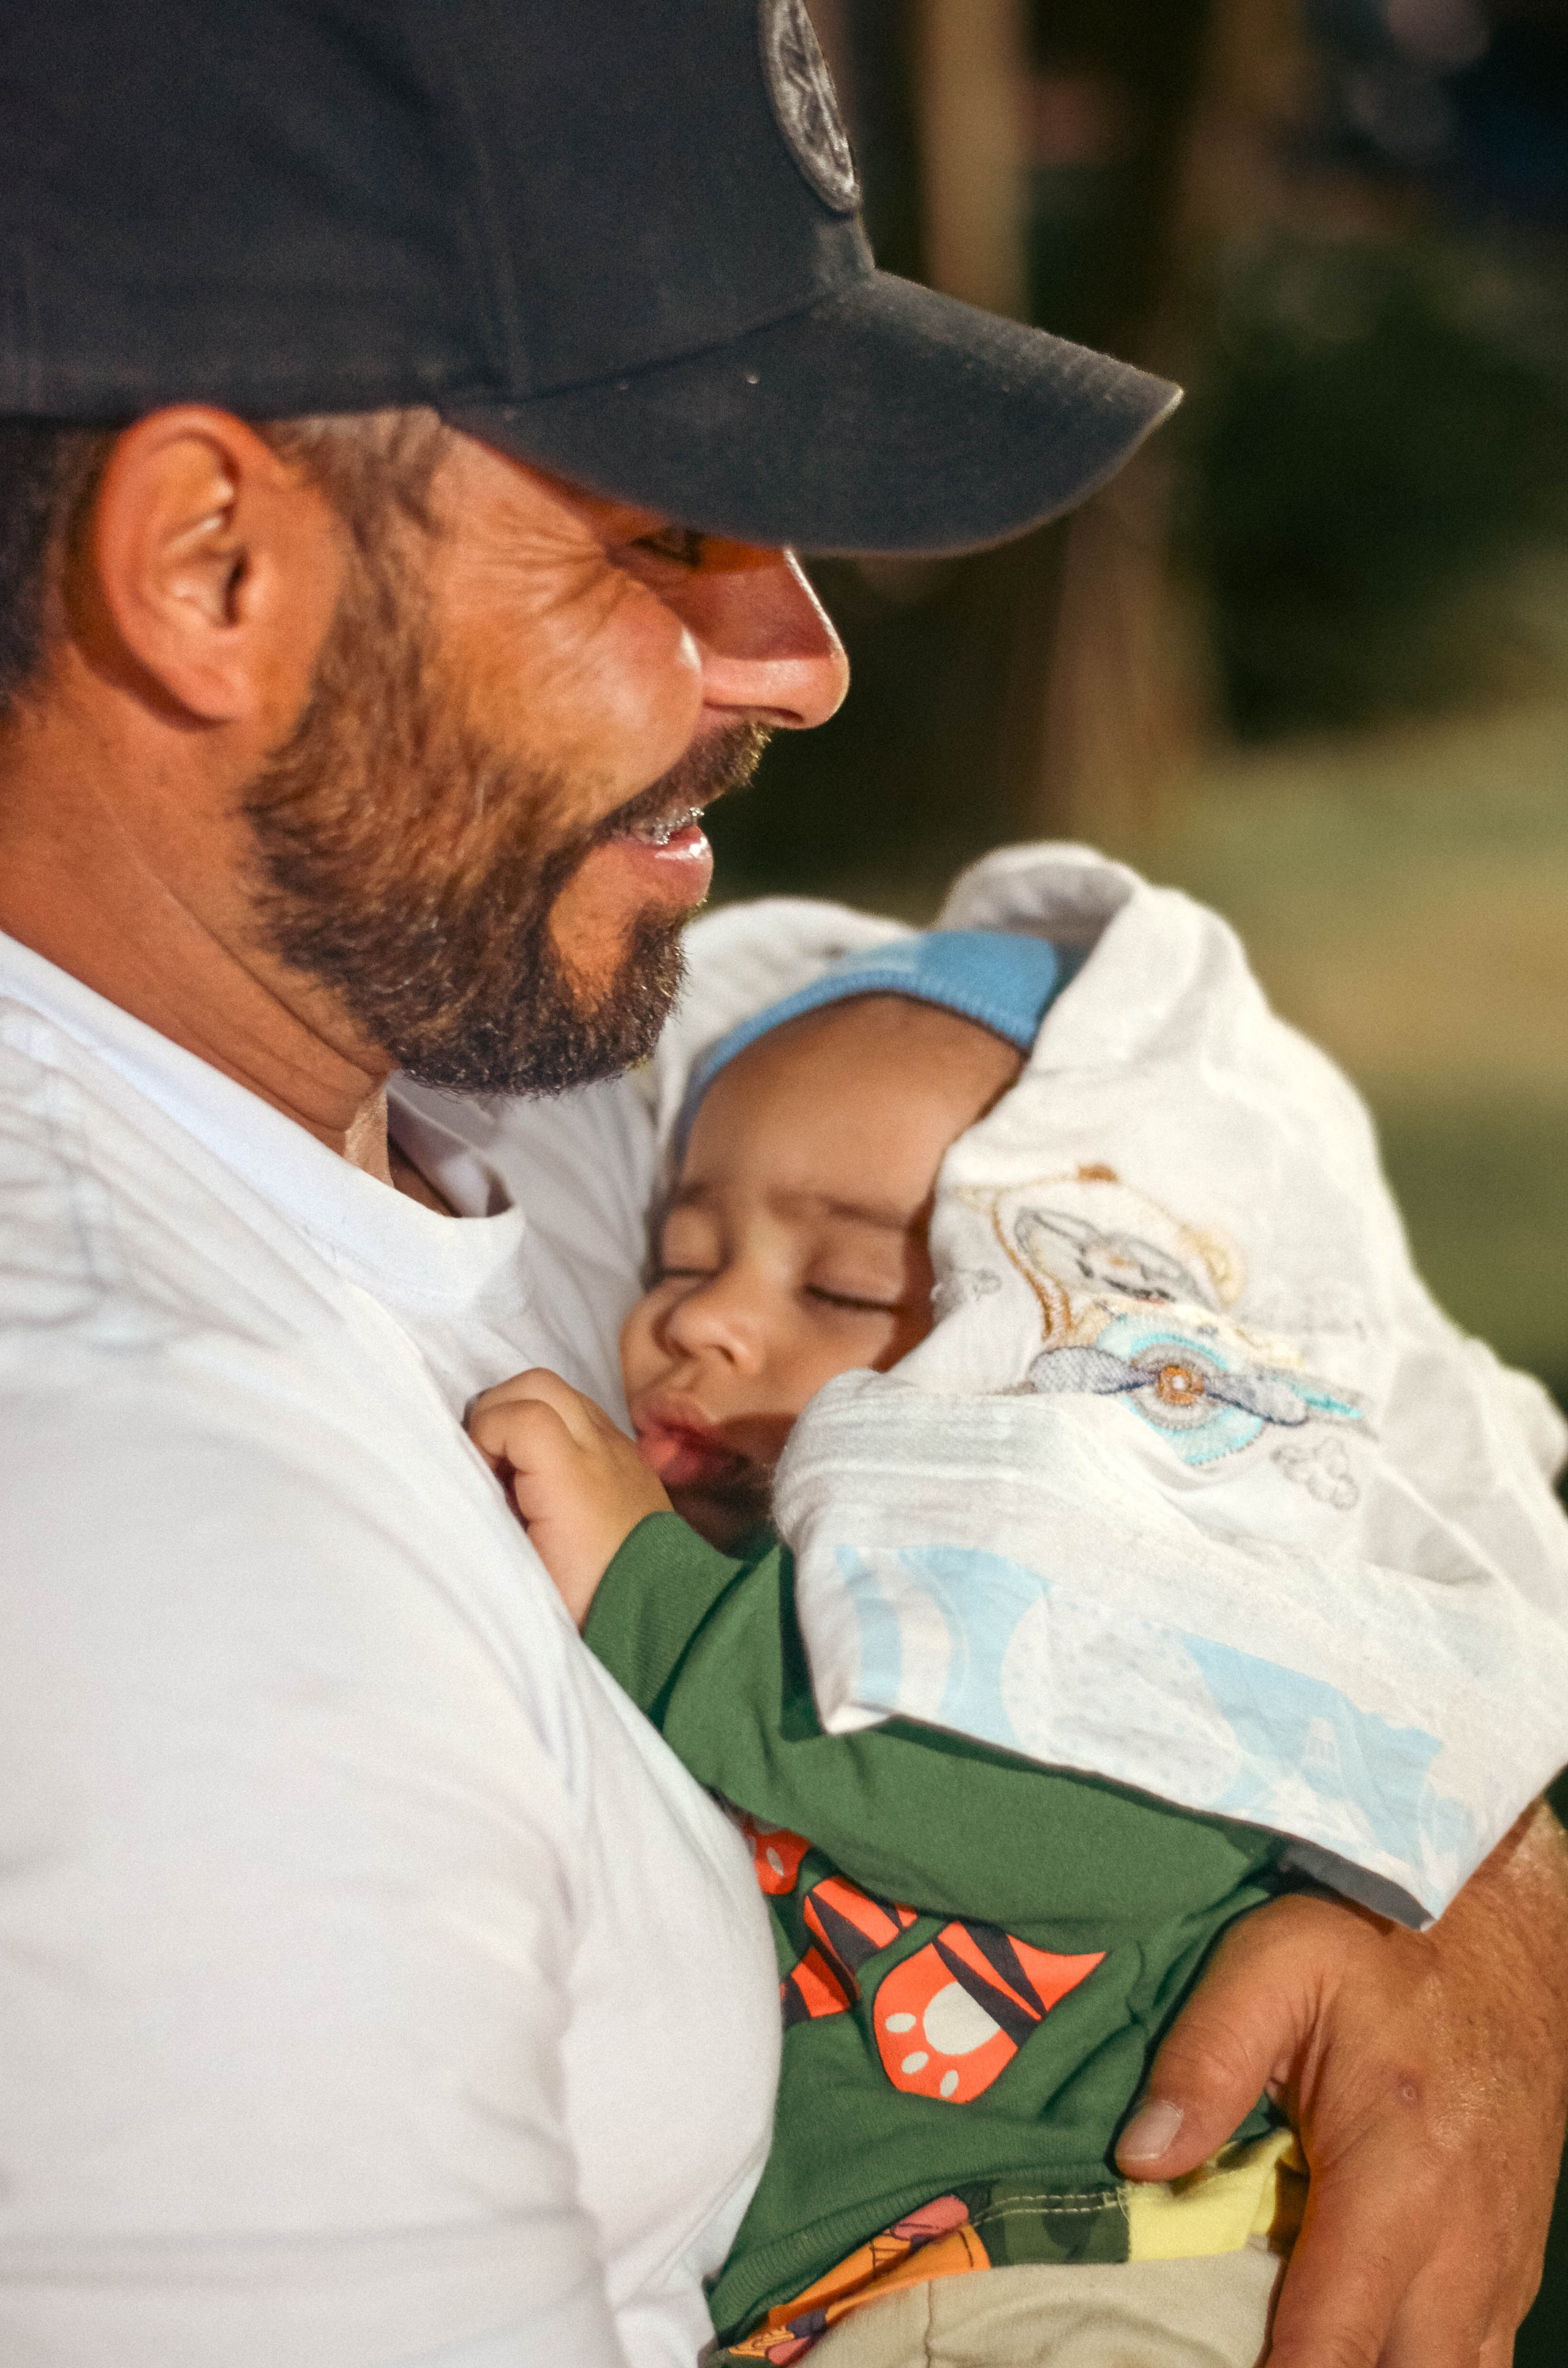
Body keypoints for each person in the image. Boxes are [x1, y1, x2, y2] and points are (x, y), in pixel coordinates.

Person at [0, 4, 1563, 2364]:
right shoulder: (152, 1552)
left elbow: (1288, 1314)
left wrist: (1457, 1858)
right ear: (210, 565)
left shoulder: (560, 1070)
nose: (802, 657)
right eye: (670, 527)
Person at [464, 918, 1568, 2367]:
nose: (707, 1321)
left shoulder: (1117, 1607)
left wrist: (650, 1597)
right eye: (681, 1253)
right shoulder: (753, 1567)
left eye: (840, 1287)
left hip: (1088, 2267)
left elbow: (1070, 1827)